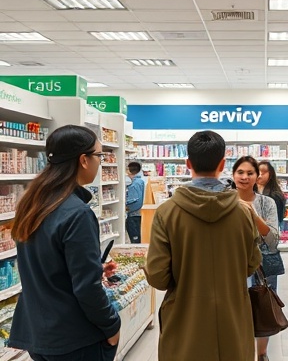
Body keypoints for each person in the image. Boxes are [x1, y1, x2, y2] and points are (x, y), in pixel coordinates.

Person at [145, 131, 262, 361]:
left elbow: (158, 277)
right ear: (223, 164)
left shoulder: (167, 213)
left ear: (188, 163)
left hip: (185, 323)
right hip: (233, 321)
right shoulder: (243, 213)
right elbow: (251, 264)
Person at [8, 125, 121, 361]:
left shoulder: (32, 204)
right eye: (99, 156)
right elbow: (87, 289)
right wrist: (112, 326)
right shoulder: (77, 213)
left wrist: (92, 268)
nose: (100, 163)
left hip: (38, 332)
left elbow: (46, 264)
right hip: (73, 336)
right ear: (83, 160)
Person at [232, 156, 279, 361]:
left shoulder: (266, 203)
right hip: (232, 265)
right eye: (240, 172)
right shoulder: (225, 201)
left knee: (262, 308)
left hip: (262, 264)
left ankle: (261, 354)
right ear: (233, 174)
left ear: (257, 176)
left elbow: (273, 240)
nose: (244, 177)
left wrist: (252, 214)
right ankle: (240, 351)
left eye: (250, 173)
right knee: (235, 309)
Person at [257, 161, 286, 226]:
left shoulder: (275, 195)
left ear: (270, 174)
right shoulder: (252, 190)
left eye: (263, 173)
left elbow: (278, 217)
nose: (260, 175)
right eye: (258, 172)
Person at [125, 161, 145, 243]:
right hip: (137, 215)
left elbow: (135, 200)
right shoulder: (140, 181)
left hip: (134, 215)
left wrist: (126, 207)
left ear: (129, 171)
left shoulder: (135, 184)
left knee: (135, 239)